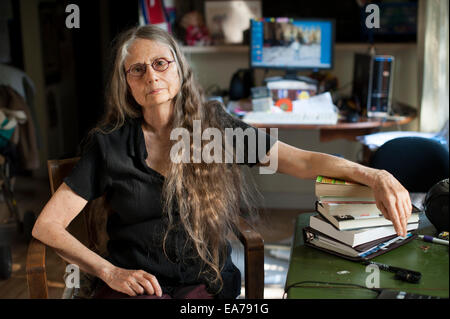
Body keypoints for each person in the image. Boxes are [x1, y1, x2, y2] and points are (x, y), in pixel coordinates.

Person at [32, 25, 412, 299]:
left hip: (203, 285)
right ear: (127, 83)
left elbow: (297, 161)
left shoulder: (214, 127)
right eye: (138, 69)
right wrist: (108, 271)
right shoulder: (108, 146)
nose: (151, 75)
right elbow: (48, 226)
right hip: (134, 286)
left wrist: (372, 173)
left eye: (161, 63)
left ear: (179, 69)